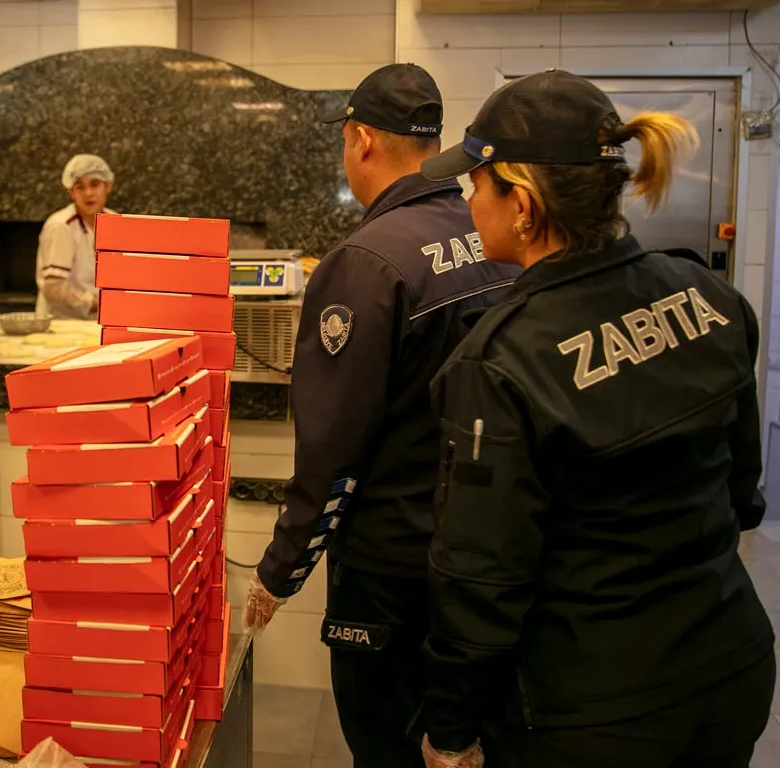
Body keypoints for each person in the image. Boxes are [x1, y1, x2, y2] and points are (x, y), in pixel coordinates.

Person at [416, 69, 775, 768]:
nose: (468, 200)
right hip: (729, 668)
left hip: (594, 715)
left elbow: (481, 583)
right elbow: (744, 497)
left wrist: (450, 728)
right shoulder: (709, 296)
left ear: (523, 204)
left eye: (475, 184)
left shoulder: (499, 361)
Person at [241, 63, 519, 767]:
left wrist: (279, 569)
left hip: (391, 575)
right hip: (483, 560)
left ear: (361, 139)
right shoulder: (494, 236)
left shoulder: (365, 261)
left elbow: (332, 447)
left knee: (386, 745)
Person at [35, 154, 116, 319]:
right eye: (80, 187)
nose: (88, 193)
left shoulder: (116, 222)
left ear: (108, 186)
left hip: (101, 321)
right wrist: (96, 303)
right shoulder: (60, 226)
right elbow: (53, 289)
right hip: (61, 324)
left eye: (95, 185)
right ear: (71, 192)